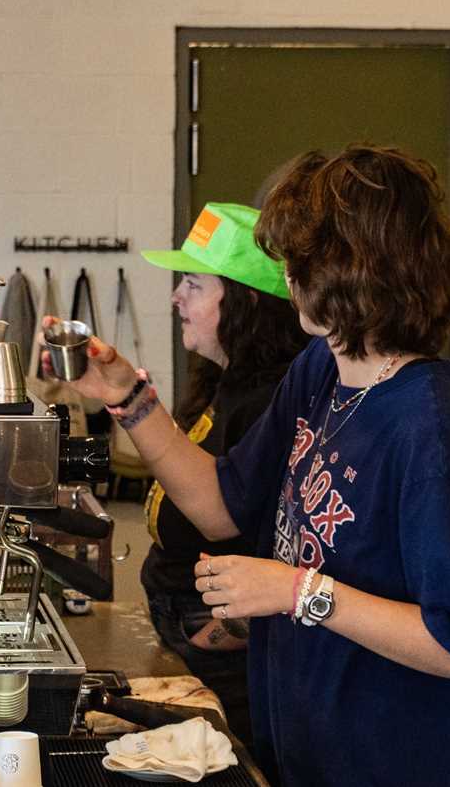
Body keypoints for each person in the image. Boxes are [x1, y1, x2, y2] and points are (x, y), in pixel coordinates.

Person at [47, 145, 450, 786]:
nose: (287, 275)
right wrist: (128, 397)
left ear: (348, 270)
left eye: (299, 259)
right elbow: (217, 502)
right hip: (304, 746)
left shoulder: (425, 431)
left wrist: (297, 592)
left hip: (385, 765)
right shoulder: (321, 369)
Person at [137, 202, 308, 747]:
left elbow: (266, 542)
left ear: (243, 303)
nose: (176, 298)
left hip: (216, 645)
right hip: (181, 619)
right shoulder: (224, 380)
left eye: (192, 284)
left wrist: (215, 638)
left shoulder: (268, 401)